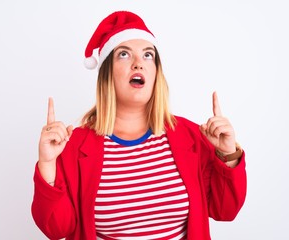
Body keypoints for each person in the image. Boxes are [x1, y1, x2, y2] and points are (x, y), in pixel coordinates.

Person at [31, 11, 247, 240]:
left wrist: (227, 154)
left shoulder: (191, 136)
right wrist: (47, 163)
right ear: (106, 74)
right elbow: (57, 229)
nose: (138, 64)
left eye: (148, 55)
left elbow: (225, 211)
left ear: (156, 73)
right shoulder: (73, 145)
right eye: (124, 54)